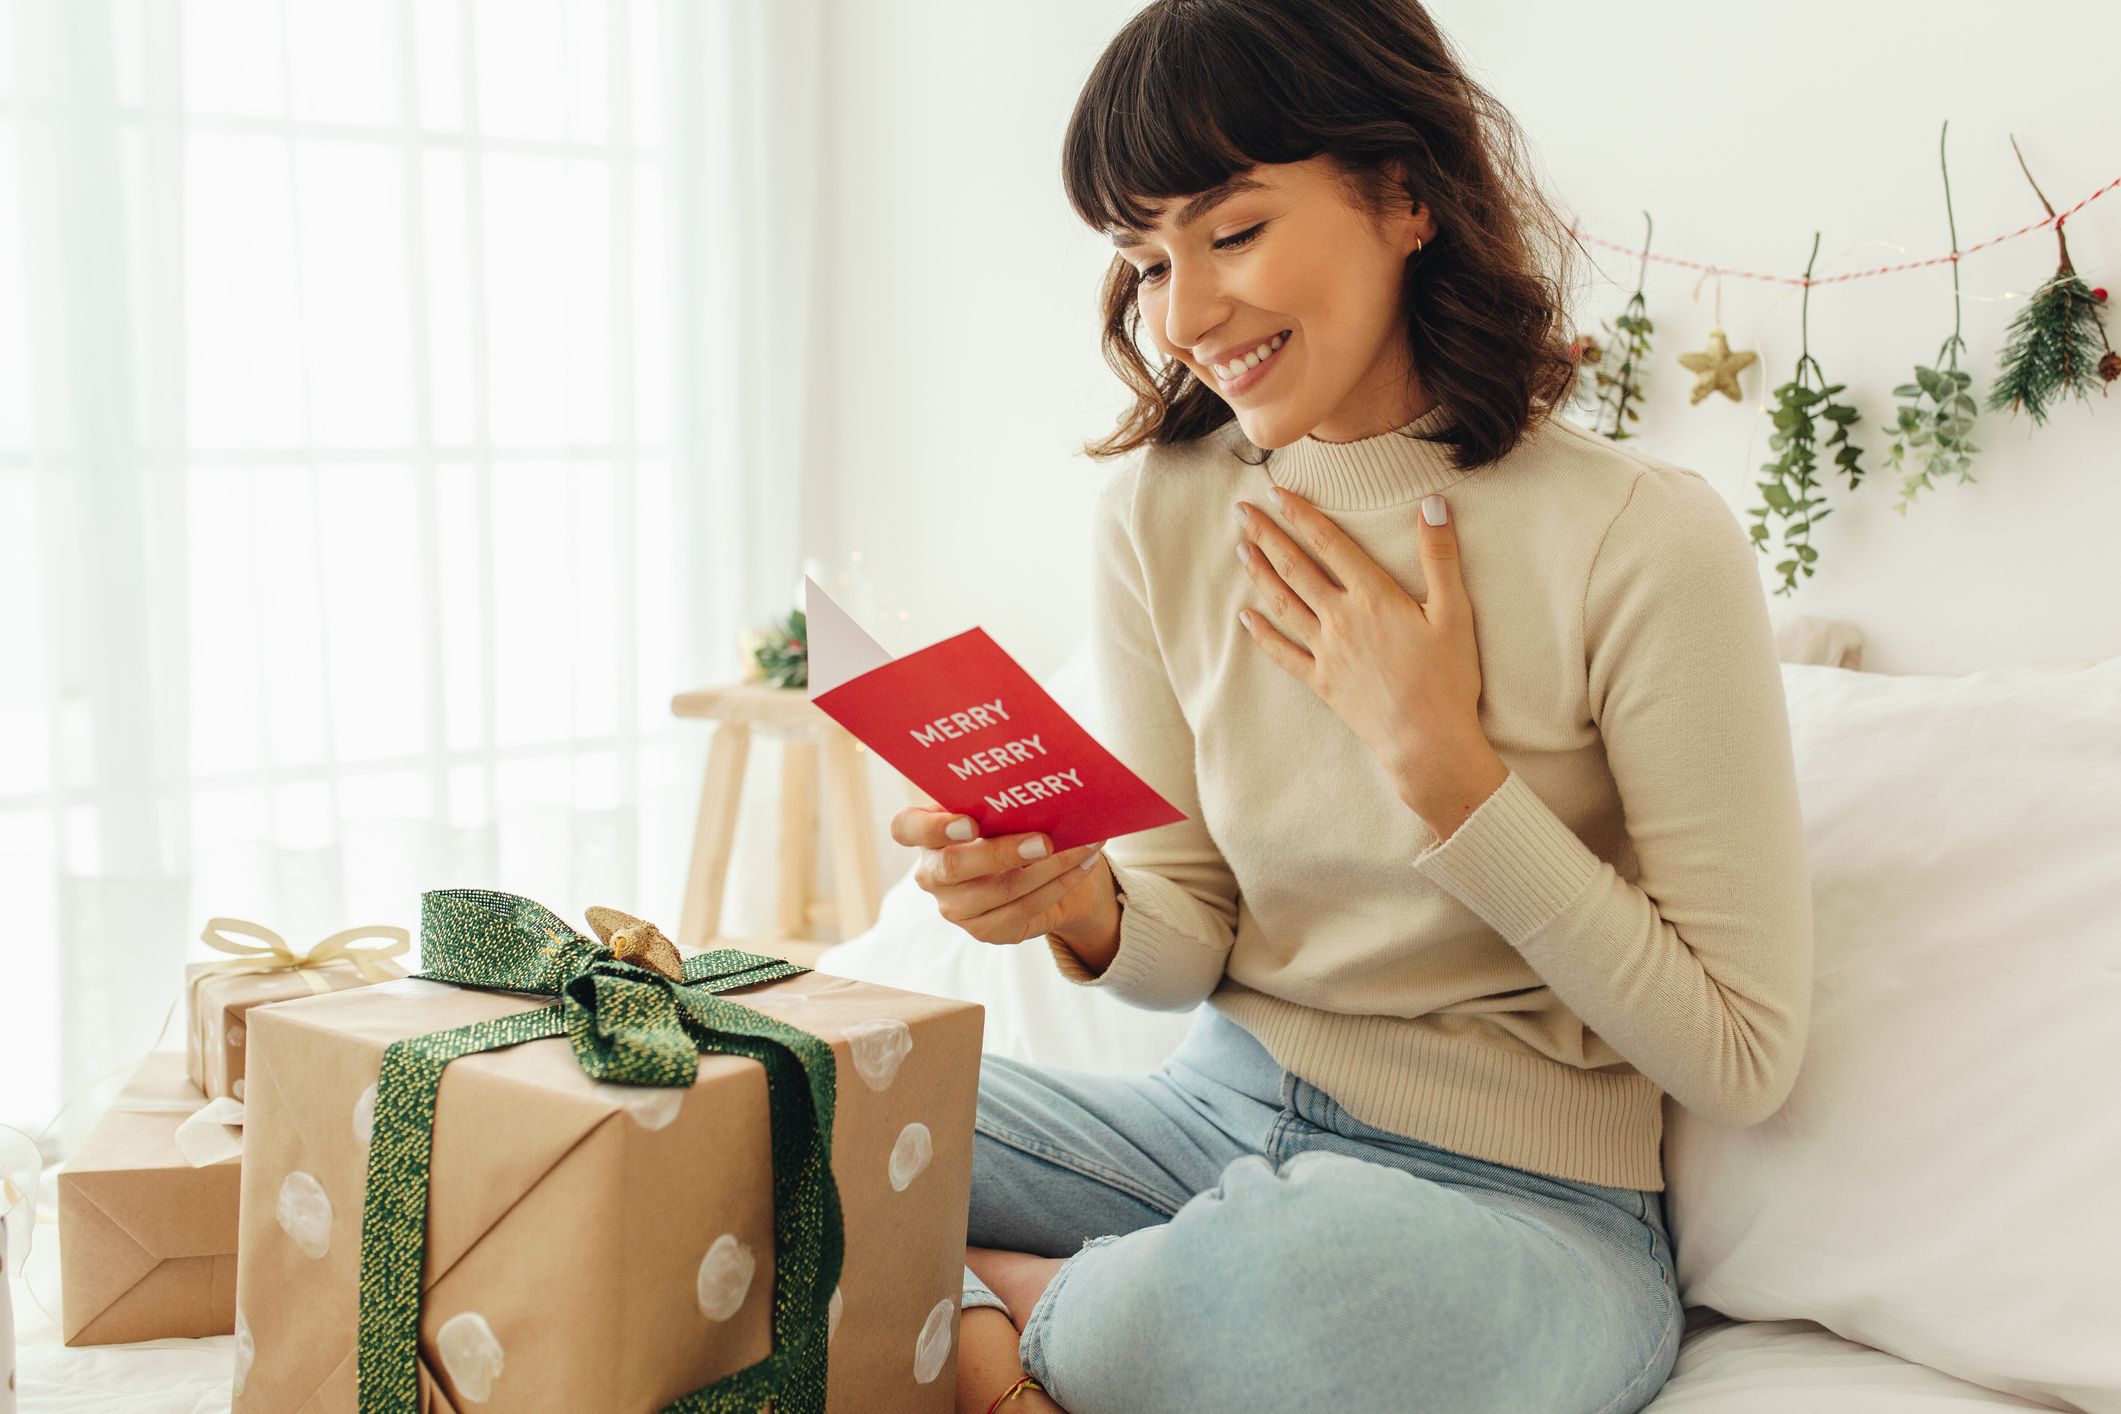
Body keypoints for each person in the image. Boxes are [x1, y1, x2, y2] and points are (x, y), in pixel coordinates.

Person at [904, 1, 1814, 1410]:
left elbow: (1741, 1054)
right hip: (1200, 1122)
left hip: (1517, 1209)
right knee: (782, 1095)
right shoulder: (1159, 513)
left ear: (1404, 195)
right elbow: (1184, 933)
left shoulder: (1640, 540)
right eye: (1144, 259)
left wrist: (1450, 774)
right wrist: (1075, 905)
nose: (1183, 316)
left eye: (1232, 231)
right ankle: (1041, 1319)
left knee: (1278, 1291)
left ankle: (982, 1309)